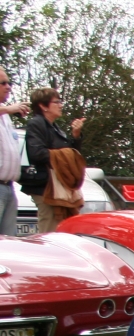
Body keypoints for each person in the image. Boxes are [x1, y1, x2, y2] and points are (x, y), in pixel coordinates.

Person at [23, 87, 83, 234]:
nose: (61, 105)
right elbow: (36, 153)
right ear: (43, 106)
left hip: (59, 187)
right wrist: (63, 155)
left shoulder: (55, 128)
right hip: (46, 188)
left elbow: (72, 156)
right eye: (56, 102)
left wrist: (75, 136)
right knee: (49, 232)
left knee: (62, 230)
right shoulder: (36, 124)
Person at [0, 68, 28, 236]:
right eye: (3, 83)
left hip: (9, 187)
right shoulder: (6, 111)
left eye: (9, 82)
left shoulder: (5, 115)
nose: (8, 87)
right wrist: (9, 109)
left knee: (7, 243)